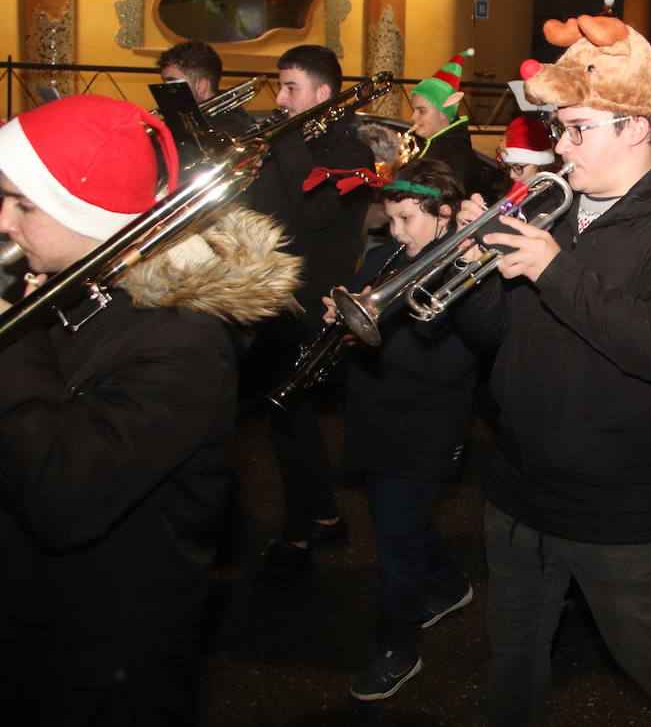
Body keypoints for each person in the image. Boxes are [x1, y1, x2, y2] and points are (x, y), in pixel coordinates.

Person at [460, 13, 651, 726]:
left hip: (618, 502)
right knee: (512, 651)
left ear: (635, 126)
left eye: (578, 129)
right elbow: (495, 336)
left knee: (644, 652)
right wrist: (474, 274)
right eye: (559, 130)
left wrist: (554, 270)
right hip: (519, 484)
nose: (562, 147)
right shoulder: (552, 207)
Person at [0, 96, 300, 724]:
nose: (5, 220)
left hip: (102, 661)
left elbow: (64, 499)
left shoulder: (182, 346)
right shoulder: (73, 284)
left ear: (83, 214)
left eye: (24, 204)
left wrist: (12, 338)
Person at [319, 160, 480, 702]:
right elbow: (363, 306)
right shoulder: (387, 255)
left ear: (446, 214)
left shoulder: (467, 267)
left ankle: (398, 647)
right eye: (391, 219)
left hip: (425, 425)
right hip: (376, 416)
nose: (398, 232)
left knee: (395, 540)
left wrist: (370, 335)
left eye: (409, 219)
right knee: (402, 524)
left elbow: (450, 363)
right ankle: (451, 587)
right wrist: (341, 313)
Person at [251, 44, 376, 586]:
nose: (279, 99)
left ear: (323, 94)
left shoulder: (354, 155)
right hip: (273, 294)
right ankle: (324, 515)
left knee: (290, 423)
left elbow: (314, 209)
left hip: (313, 305)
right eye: (279, 88)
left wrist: (282, 145)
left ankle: (300, 535)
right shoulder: (300, 141)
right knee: (289, 423)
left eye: (290, 88)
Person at [408, 51, 497, 200]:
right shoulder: (422, 144)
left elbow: (442, 204)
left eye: (421, 111)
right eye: (414, 110)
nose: (413, 117)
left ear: (443, 113)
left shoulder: (458, 157)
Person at [157, 39, 255, 136]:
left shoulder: (230, 128)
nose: (164, 90)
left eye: (172, 82)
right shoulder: (180, 119)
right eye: (164, 82)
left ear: (201, 86)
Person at [496, 114, 557, 191]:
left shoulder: (553, 199)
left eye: (518, 168)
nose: (512, 175)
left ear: (540, 166)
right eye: (508, 167)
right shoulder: (510, 189)